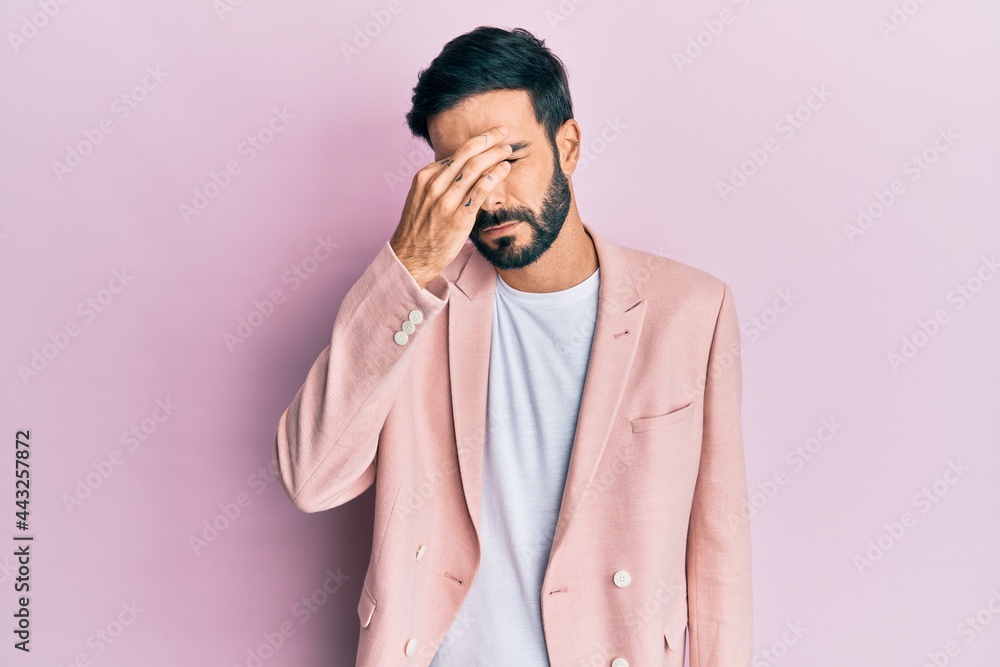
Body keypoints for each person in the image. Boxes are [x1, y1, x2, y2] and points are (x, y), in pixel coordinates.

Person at [273, 25, 753, 667]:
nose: (490, 197)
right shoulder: (412, 305)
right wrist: (408, 264)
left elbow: (719, 551)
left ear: (568, 146)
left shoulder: (691, 311)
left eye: (507, 159)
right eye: (461, 173)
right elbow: (310, 479)